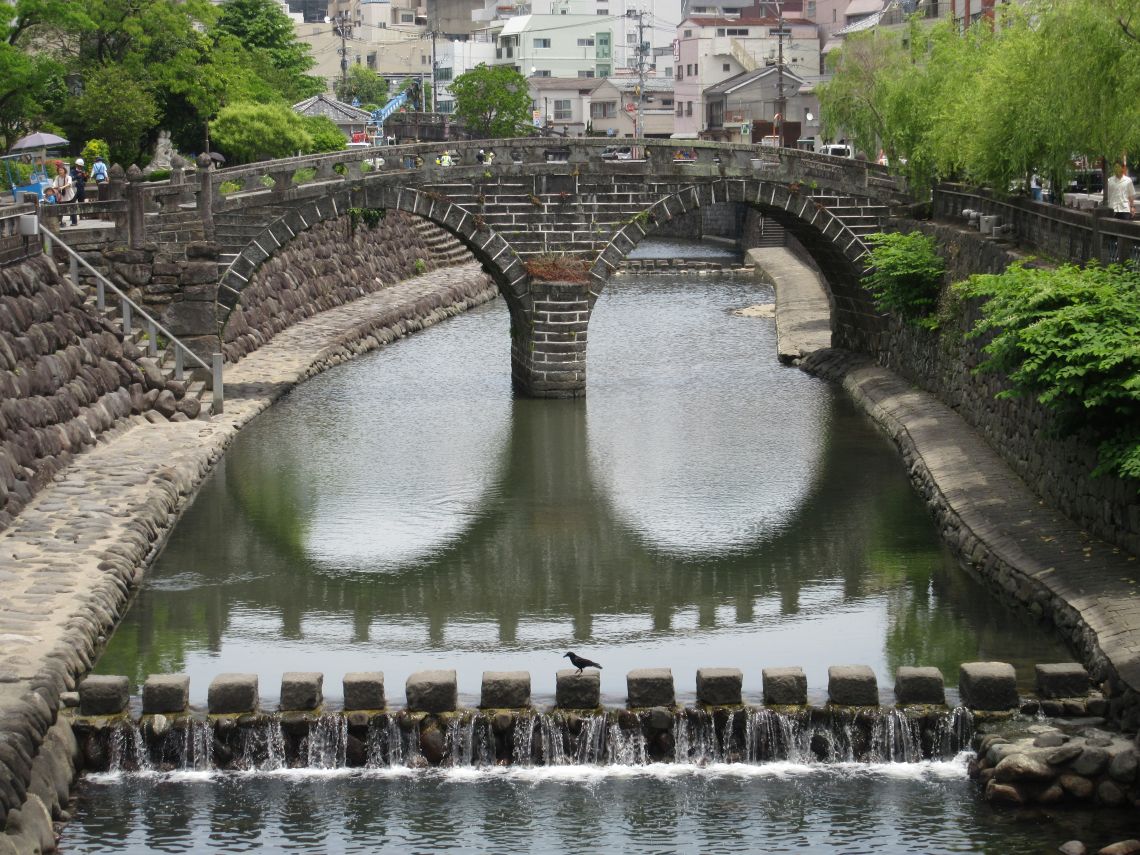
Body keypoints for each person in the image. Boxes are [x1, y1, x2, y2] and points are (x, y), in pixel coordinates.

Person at [70, 157, 87, 225]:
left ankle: (81, 215)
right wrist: (77, 175)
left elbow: (85, 180)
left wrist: (85, 176)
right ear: (76, 165)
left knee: (81, 202)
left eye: (81, 166)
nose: (80, 167)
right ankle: (72, 217)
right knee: (73, 202)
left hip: (81, 188)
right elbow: (71, 178)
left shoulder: (83, 171)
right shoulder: (73, 171)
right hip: (74, 189)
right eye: (79, 166)